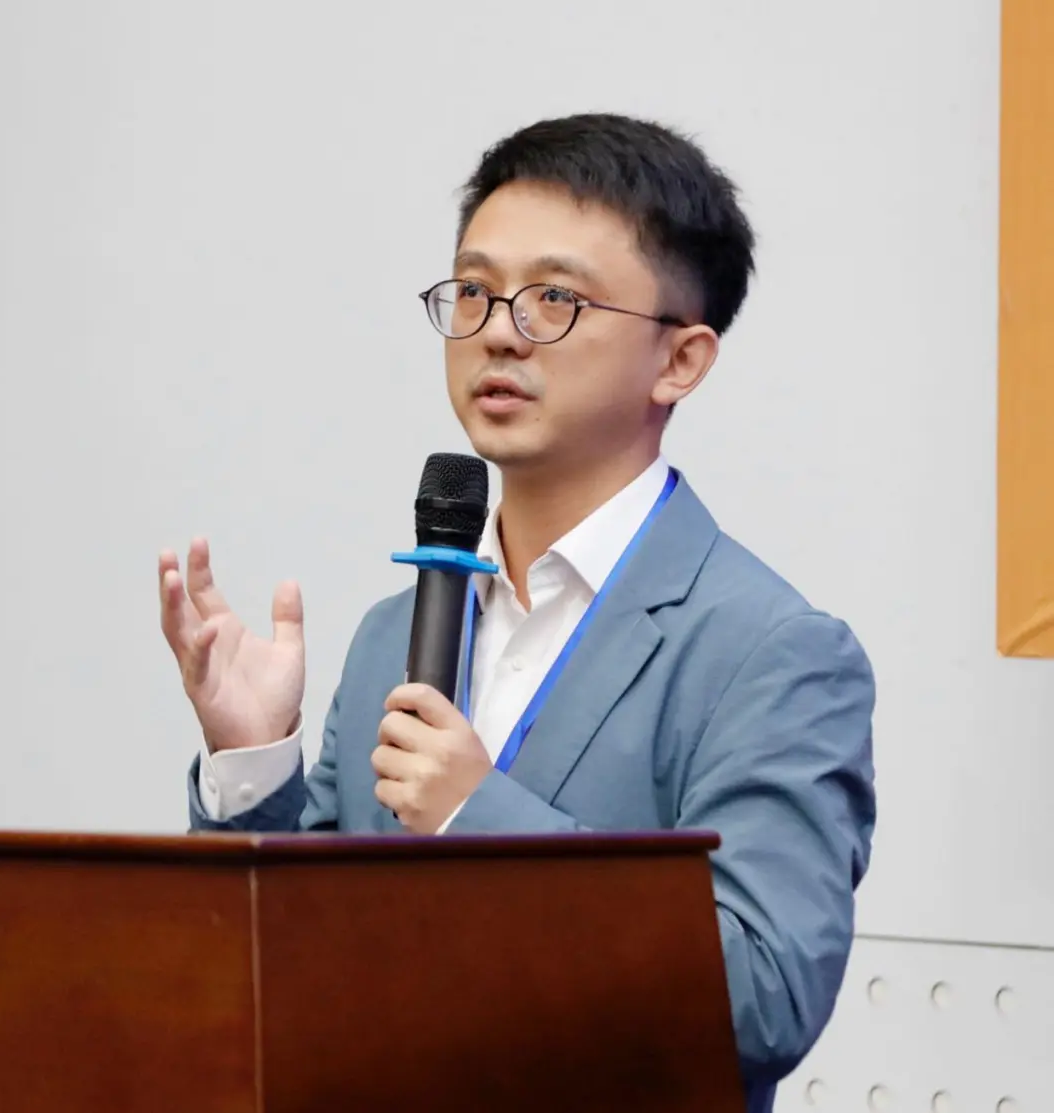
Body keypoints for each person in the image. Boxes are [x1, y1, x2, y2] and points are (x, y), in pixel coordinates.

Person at [158, 113, 875, 1112]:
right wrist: (252, 765)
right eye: (475, 291)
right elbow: (288, 968)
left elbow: (764, 995)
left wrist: (476, 816)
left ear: (681, 360)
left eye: (555, 298)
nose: (499, 329)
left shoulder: (772, 653)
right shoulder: (394, 634)